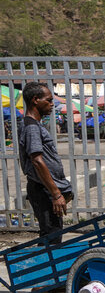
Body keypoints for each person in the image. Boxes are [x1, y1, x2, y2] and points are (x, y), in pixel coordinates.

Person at [19, 82, 73, 247]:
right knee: (51, 237)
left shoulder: (34, 125)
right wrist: (56, 194)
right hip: (43, 190)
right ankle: (44, 270)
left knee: (53, 234)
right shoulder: (31, 127)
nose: (52, 104)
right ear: (35, 100)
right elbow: (37, 160)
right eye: (49, 100)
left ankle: (49, 270)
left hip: (45, 189)